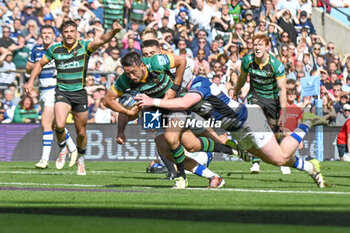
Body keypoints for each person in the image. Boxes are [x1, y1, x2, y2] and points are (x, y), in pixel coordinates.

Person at [135, 76, 328, 189]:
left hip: (249, 120)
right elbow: (202, 123)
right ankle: (310, 168)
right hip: (237, 131)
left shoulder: (199, 83)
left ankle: (307, 122)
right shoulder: (184, 95)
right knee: (273, 159)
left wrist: (153, 102)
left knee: (278, 158)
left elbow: (185, 103)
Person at [104, 50, 243, 189]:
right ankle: (214, 176)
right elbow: (108, 101)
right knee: (170, 150)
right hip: (153, 110)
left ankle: (182, 176)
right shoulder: (126, 82)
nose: (131, 76)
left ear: (142, 65)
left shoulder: (156, 62)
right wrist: (122, 125)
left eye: (133, 72)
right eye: (127, 73)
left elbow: (182, 60)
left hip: (175, 101)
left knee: (180, 140)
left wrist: (174, 88)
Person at [24, 19, 123, 175]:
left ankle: (81, 160)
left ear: (76, 32)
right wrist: (30, 81)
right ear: (62, 34)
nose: (69, 35)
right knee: (59, 125)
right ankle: (63, 148)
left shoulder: (84, 46)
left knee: (81, 132)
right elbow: (39, 64)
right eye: (66, 32)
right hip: (62, 92)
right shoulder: (55, 49)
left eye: (71, 31)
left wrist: (113, 32)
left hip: (79, 93)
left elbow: (102, 40)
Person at [235, 34, 288, 174]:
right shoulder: (247, 60)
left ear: (267, 47)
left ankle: (283, 159)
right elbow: (242, 78)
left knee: (275, 131)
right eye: (255, 45)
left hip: (272, 99)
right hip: (255, 95)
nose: (257, 47)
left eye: (260, 45)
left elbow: (283, 90)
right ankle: (256, 162)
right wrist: (235, 90)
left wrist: (284, 112)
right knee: (255, 122)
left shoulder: (276, 65)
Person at [24, 25, 76, 170]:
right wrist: (34, 67)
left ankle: (44, 159)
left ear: (54, 36)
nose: (46, 35)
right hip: (42, 90)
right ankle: (72, 148)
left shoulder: (60, 48)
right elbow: (28, 67)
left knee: (45, 124)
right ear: (40, 36)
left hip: (55, 90)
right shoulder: (36, 50)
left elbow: (70, 65)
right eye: (44, 33)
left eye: (49, 33)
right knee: (55, 125)